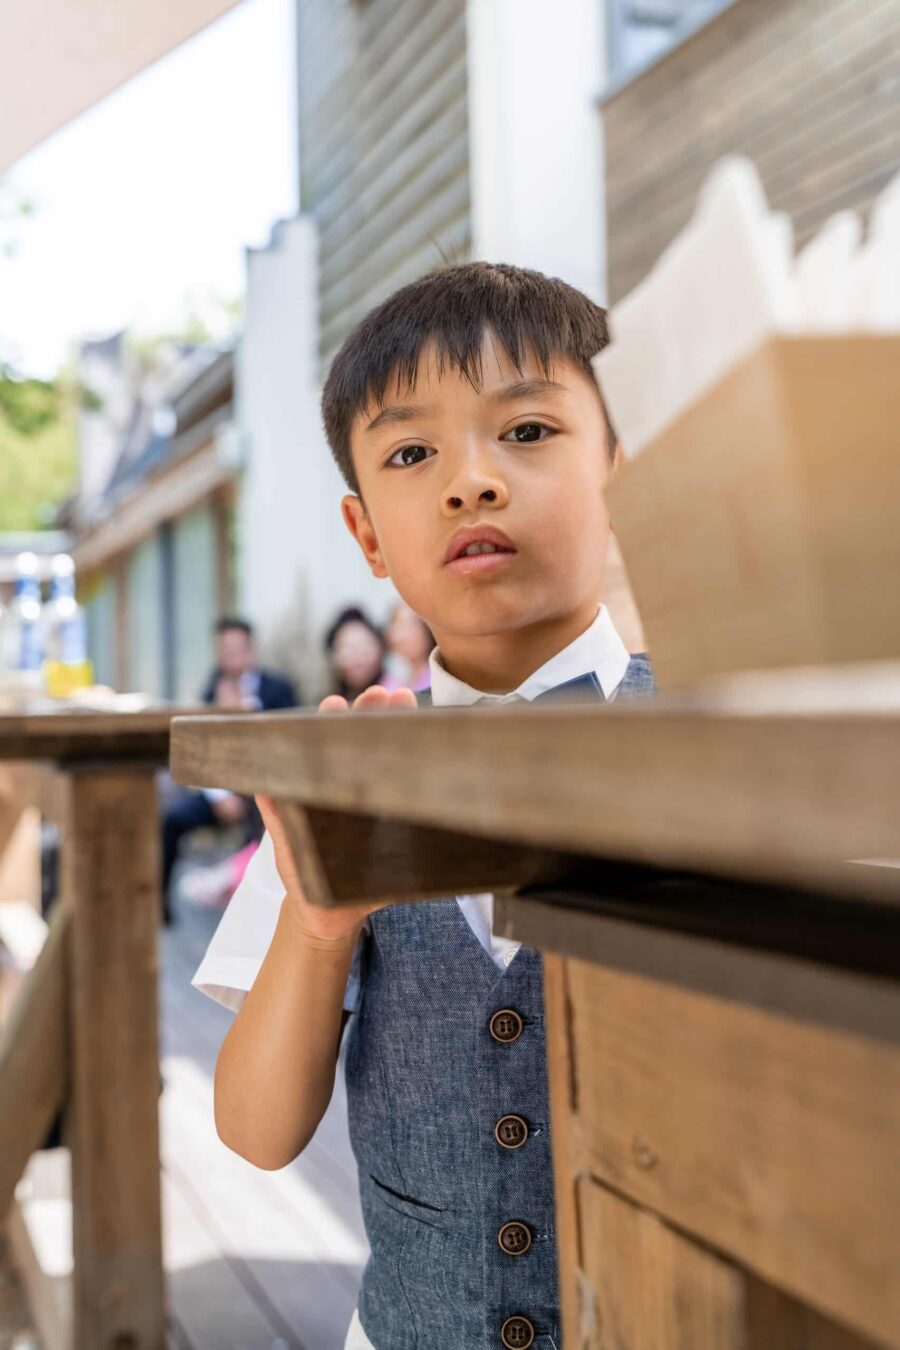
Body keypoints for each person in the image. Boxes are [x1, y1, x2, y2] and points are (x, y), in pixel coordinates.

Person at [192, 262, 653, 1349]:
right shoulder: (344, 772)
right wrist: (318, 921)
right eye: (412, 454)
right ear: (368, 537)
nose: (470, 483)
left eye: (527, 432)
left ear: (619, 473)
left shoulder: (729, 751)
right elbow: (256, 1132)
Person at [161, 617, 298, 922]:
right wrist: (219, 795)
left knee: (266, 824)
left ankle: (252, 900)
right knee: (172, 819)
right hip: (223, 787)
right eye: (226, 649)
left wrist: (248, 713)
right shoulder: (211, 691)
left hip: (268, 785)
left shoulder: (278, 689)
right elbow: (203, 750)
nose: (232, 655)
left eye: (238, 648)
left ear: (251, 650)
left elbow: (292, 743)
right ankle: (162, 907)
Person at [325, 605, 386, 699]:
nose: (357, 657)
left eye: (363, 645)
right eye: (348, 647)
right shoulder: (330, 700)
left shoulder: (396, 692)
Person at [382, 600, 434, 692]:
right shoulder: (391, 681)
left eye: (412, 625)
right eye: (398, 626)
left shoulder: (438, 678)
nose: (401, 636)